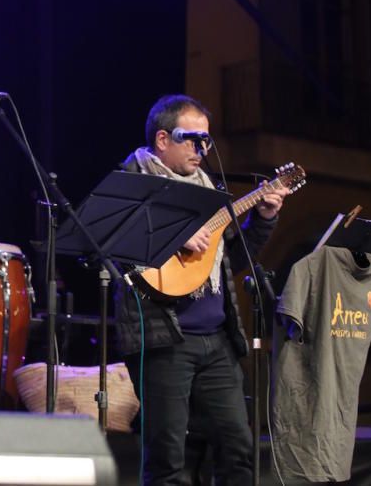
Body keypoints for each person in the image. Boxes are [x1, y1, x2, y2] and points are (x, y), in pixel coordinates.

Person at [115, 94, 289, 486]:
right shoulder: (130, 184)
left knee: (238, 446)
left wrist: (264, 217)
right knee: (167, 455)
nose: (202, 148)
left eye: (206, 140)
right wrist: (172, 234)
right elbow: (115, 252)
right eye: (191, 138)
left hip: (217, 340)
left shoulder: (211, 190)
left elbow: (234, 259)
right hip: (163, 341)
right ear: (162, 140)